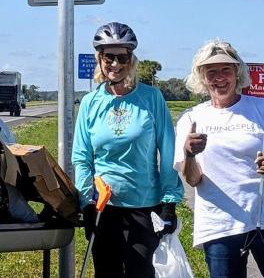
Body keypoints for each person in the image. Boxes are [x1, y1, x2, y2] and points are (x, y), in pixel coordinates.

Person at [175, 40, 264, 278]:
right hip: (220, 224)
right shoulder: (191, 118)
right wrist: (190, 154)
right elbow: (193, 179)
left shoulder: (263, 110)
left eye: (226, 70)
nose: (219, 78)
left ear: (237, 73)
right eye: (211, 71)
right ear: (202, 77)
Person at [72, 22, 184, 278]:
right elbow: (82, 156)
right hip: (104, 207)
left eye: (122, 57)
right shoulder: (91, 103)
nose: (115, 64)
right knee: (107, 273)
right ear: (99, 59)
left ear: (131, 59)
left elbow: (168, 151)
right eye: (108, 57)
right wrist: (86, 202)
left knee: (141, 271)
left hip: (144, 204)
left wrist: (169, 202)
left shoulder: (151, 98)